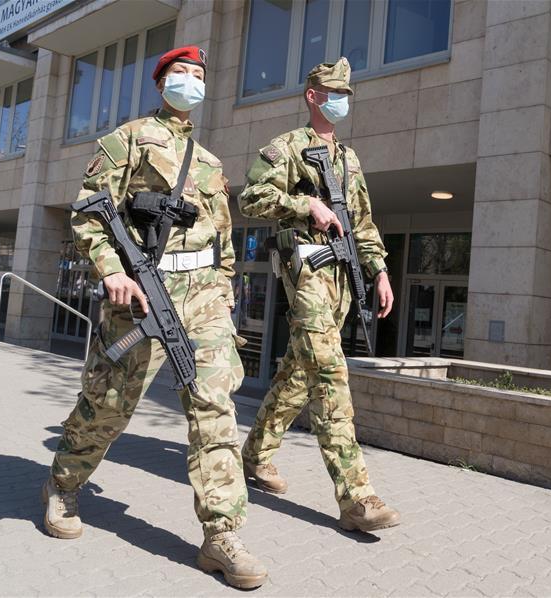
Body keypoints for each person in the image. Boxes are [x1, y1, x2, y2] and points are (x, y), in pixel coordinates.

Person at [42, 45, 267, 589]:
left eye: (198, 76)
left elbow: (223, 236)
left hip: (205, 296)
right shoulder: (129, 138)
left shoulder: (210, 163)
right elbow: (89, 213)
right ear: (161, 81)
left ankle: (221, 534)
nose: (190, 82)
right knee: (111, 401)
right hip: (141, 289)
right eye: (181, 73)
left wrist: (226, 287)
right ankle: (65, 483)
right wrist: (110, 271)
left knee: (214, 407)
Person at [239, 58, 400, 532]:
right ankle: (357, 497)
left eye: (347, 93)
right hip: (307, 271)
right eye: (334, 92)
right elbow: (250, 198)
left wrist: (380, 270)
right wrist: (303, 203)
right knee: (330, 373)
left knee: (298, 375)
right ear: (313, 96)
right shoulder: (286, 147)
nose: (342, 100)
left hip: (344, 278)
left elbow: (363, 221)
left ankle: (256, 453)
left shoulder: (350, 159)